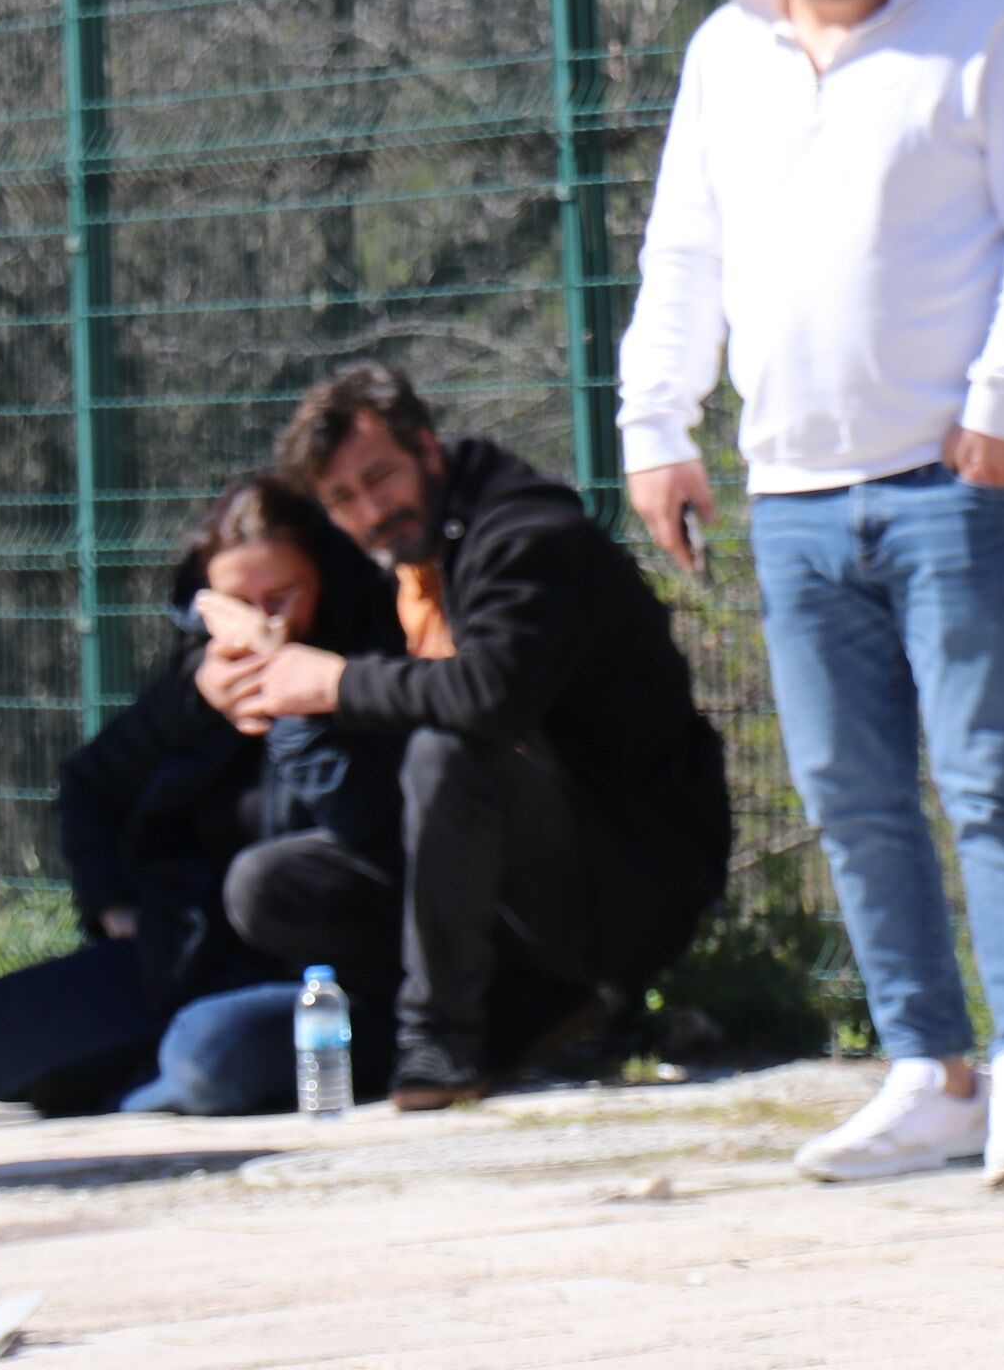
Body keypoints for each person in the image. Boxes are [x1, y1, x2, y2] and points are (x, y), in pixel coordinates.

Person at [616, 0, 1004, 1186]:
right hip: (792, 496)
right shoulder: (724, 55)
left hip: (960, 487)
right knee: (850, 794)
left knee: (993, 781)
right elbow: (684, 253)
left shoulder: (990, 28)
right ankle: (929, 1074)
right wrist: (657, 426)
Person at [213, 363, 733, 1109]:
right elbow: (241, 588)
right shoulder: (395, 552)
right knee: (268, 886)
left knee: (449, 749)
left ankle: (442, 1043)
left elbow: (492, 696)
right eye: (343, 499)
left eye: (379, 477)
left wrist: (336, 685)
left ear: (427, 449)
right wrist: (213, 666)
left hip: (628, 876)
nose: (370, 510)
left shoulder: (527, 536)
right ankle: (532, 1014)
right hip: (501, 875)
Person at [0, 476, 406, 1116]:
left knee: (208, 1055)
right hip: (186, 956)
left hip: (328, 974)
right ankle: (154, 1076)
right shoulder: (196, 685)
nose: (260, 623)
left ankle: (144, 1084)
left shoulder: (373, 673)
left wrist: (294, 707)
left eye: (280, 599)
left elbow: (366, 819)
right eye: (239, 604)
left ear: (324, 584)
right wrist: (113, 903)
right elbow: (91, 785)